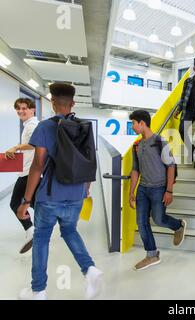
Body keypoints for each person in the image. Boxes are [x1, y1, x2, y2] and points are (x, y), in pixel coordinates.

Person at [17, 83, 103, 300]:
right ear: (73, 103)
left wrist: (26, 200)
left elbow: (37, 165)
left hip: (50, 196)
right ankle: (90, 269)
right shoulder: (84, 127)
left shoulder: (45, 127)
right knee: (70, 231)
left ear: (52, 102)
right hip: (75, 195)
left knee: (41, 237)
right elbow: (89, 162)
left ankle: (38, 291)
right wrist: (85, 191)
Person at [129, 110, 187, 271]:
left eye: (133, 123)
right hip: (143, 189)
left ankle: (178, 226)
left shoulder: (160, 142)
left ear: (142, 123)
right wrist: (131, 192)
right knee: (141, 222)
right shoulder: (136, 145)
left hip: (159, 188)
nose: (132, 126)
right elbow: (135, 170)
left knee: (159, 219)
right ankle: (152, 254)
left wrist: (169, 191)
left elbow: (171, 166)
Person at [4, 98, 39, 254]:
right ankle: (40, 229)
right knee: (35, 204)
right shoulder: (29, 124)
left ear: (32, 110)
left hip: (28, 173)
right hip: (30, 171)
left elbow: (34, 144)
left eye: (24, 108)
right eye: (18, 108)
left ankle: (31, 230)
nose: (21, 111)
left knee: (15, 204)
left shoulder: (32, 125)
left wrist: (16, 147)